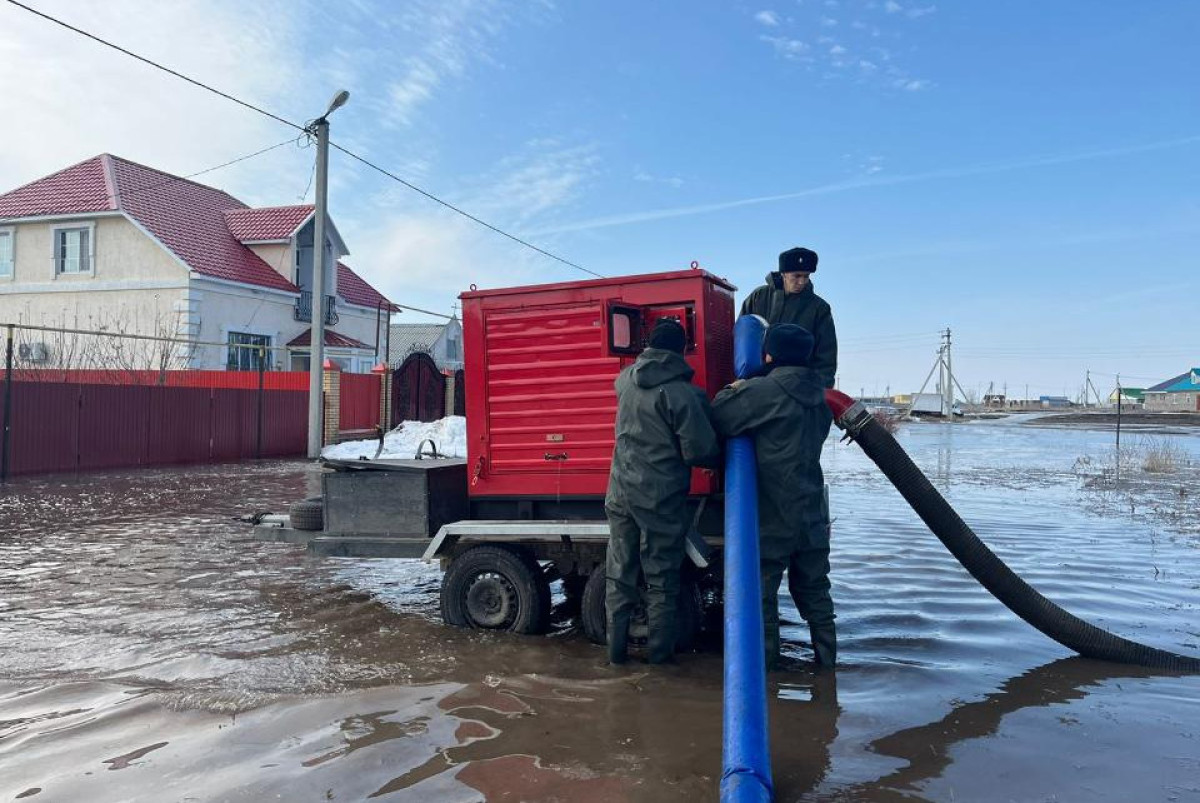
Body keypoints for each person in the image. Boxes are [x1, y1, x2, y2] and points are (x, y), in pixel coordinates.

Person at [711, 323, 836, 668]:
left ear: (768, 355)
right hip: (812, 511)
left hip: (773, 512)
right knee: (816, 594)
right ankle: (828, 672)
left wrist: (737, 387)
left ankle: (768, 675)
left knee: (762, 596)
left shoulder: (765, 392)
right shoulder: (822, 397)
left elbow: (720, 415)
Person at [605, 317, 721, 665]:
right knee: (661, 580)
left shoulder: (625, 380)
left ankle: (615, 658)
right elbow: (699, 451)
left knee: (619, 574)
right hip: (659, 498)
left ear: (648, 347)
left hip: (620, 492)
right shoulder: (685, 394)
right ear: (681, 351)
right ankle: (659, 665)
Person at [740, 247, 838, 388]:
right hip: (756, 385)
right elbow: (741, 340)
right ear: (783, 274)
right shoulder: (758, 297)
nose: (802, 282)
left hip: (798, 389)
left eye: (806, 276)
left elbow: (826, 359)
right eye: (796, 276)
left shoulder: (819, 308)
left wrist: (821, 393)